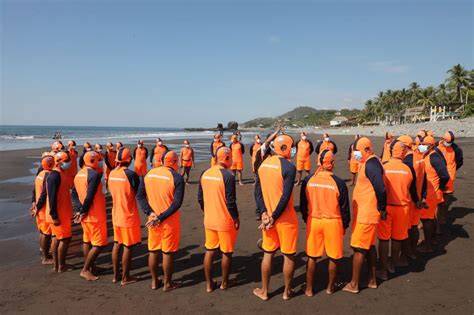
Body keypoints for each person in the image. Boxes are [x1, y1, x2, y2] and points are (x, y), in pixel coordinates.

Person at [254, 134, 298, 301]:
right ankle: (287, 292)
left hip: (269, 220)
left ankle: (264, 291)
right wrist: (273, 216)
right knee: (288, 255)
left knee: (268, 253)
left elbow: (257, 192)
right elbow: (285, 197)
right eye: (291, 146)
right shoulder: (288, 167)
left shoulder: (263, 165)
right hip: (285, 219)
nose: (293, 150)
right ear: (284, 148)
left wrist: (264, 213)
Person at [300, 150, 350, 296]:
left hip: (314, 220)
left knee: (312, 256)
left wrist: (306, 218)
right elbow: (344, 208)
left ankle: (309, 289)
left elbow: (303, 204)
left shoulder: (308, 180)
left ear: (319, 162)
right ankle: (330, 287)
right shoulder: (339, 183)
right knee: (333, 257)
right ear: (332, 164)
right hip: (333, 222)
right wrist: (345, 225)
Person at [343, 137, 386, 294]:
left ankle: (354, 284)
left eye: (357, 152)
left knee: (359, 248)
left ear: (367, 150)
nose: (356, 155)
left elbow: (380, 188)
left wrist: (382, 207)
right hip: (364, 213)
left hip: (367, 214)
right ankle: (372, 280)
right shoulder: (368, 162)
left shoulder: (372, 164)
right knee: (369, 246)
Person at [137, 151, 185, 291]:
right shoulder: (176, 177)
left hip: (152, 221)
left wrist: (150, 213)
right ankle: (167, 283)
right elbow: (177, 203)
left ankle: (154, 281)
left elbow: (140, 196)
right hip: (168, 222)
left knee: (153, 251)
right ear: (175, 162)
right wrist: (160, 217)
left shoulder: (149, 174)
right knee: (167, 253)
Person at [198, 147, 240, 293]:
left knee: (209, 250)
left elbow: (200, 198)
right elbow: (230, 201)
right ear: (226, 158)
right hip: (224, 220)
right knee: (226, 252)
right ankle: (224, 283)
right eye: (231, 158)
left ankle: (209, 285)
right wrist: (236, 217)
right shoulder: (228, 176)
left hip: (209, 219)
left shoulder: (205, 173)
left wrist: (207, 210)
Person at [376, 140, 419, 280]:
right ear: (403, 152)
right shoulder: (408, 168)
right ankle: (392, 264)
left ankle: (382, 269)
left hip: (386, 208)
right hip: (402, 208)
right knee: (397, 239)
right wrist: (418, 201)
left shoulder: (384, 166)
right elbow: (413, 191)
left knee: (383, 239)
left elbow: (379, 188)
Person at [71, 151, 108, 281]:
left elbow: (74, 194)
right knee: (98, 244)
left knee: (87, 241)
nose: (100, 162)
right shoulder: (94, 175)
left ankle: (92, 267)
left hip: (85, 215)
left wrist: (79, 209)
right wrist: (83, 211)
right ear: (93, 161)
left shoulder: (78, 174)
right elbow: (89, 196)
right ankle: (85, 269)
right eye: (98, 160)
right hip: (94, 214)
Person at [108, 147, 142, 285]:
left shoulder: (111, 173)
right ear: (129, 160)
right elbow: (139, 193)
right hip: (128, 214)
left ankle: (116, 275)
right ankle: (125, 277)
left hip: (116, 213)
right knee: (128, 246)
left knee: (117, 244)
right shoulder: (131, 175)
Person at [417, 136, 449, 253]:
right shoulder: (428, 155)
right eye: (421, 143)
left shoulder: (434, 157)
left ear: (431, 145)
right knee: (430, 218)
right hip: (429, 192)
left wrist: (440, 186)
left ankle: (428, 245)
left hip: (431, 193)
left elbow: (445, 175)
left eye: (424, 144)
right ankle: (432, 239)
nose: (421, 146)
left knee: (426, 220)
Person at [398, 135, 427, 260]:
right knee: (414, 226)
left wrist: (415, 200)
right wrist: (423, 197)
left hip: (411, 200)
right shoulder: (420, 157)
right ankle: (412, 251)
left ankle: (405, 254)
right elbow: (424, 179)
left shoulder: (407, 162)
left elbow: (410, 185)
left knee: (406, 229)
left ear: (404, 146)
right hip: (418, 197)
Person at [45, 151, 74, 272]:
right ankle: (61, 265)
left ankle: (57, 265)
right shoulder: (54, 176)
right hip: (58, 214)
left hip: (63, 212)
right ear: (59, 162)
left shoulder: (62, 173)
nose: (69, 163)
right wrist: (54, 216)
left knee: (57, 238)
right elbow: (51, 197)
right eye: (66, 161)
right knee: (64, 239)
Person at [435, 131, 463, 235]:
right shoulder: (436, 146)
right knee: (438, 200)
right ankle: (437, 221)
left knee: (446, 199)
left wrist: (452, 170)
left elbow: (460, 161)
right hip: (438, 175)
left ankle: (443, 217)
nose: (448, 144)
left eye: (450, 142)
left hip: (449, 177)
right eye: (447, 142)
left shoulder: (456, 149)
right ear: (443, 139)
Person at [30, 153, 55, 265]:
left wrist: (34, 204)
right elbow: (44, 195)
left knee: (42, 232)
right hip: (44, 209)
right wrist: (38, 207)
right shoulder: (48, 176)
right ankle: (45, 258)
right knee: (46, 234)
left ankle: (44, 252)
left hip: (40, 209)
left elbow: (35, 191)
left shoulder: (40, 174)